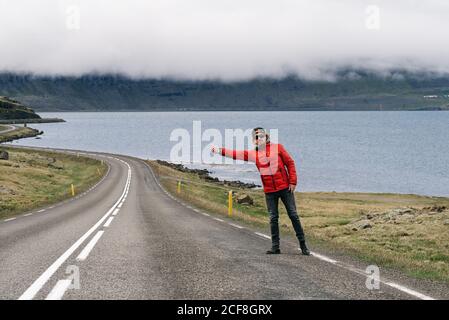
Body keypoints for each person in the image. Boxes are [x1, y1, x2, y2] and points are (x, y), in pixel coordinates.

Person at [212, 127, 310, 255]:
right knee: (273, 218)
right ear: (254, 141)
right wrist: (219, 150)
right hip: (269, 191)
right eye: (257, 137)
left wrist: (293, 182)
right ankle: (275, 247)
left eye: (261, 136)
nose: (259, 139)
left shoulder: (278, 148)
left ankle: (303, 245)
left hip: (285, 188)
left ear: (266, 137)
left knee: (293, 215)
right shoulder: (254, 154)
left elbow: (290, 163)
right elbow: (236, 154)